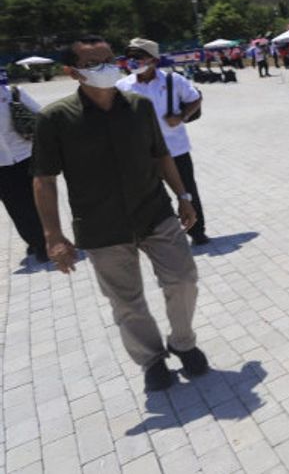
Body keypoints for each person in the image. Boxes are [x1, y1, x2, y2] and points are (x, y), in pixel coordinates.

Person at [33, 35, 207, 393]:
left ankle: (183, 341)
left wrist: (184, 197)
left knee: (183, 279)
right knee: (126, 302)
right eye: (94, 63)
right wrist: (53, 236)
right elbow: (44, 179)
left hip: (155, 212)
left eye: (109, 60)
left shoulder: (139, 107)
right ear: (72, 72)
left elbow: (161, 155)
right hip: (101, 226)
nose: (107, 68)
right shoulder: (56, 118)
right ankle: (152, 359)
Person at [116, 38, 209, 246]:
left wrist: (182, 116)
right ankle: (156, 235)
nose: (133, 61)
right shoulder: (122, 86)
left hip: (175, 149)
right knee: (149, 195)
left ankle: (197, 231)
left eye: (138, 57)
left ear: (154, 59)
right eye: (130, 57)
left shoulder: (173, 80)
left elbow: (195, 98)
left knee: (187, 192)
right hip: (142, 153)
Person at [0, 71, 47, 264]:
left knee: (39, 201)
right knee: (17, 207)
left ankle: (45, 240)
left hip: (27, 155)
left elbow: (40, 113)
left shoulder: (12, 92)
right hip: (2, 164)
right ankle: (35, 241)